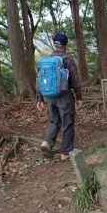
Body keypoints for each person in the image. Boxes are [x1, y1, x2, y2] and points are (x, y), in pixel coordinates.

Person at [36, 32, 82, 160]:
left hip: (50, 96)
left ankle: (47, 142)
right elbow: (75, 80)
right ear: (65, 44)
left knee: (53, 120)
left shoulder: (47, 60)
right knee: (67, 123)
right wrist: (79, 97)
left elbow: (39, 79)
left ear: (55, 44)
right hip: (64, 96)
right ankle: (65, 152)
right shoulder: (67, 59)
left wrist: (39, 98)